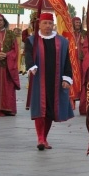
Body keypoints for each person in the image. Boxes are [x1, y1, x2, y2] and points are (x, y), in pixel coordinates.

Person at [25, 13, 74, 150]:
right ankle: (40, 138)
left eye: (50, 23)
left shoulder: (62, 41)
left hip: (55, 81)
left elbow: (67, 62)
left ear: (53, 25)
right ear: (39, 24)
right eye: (44, 23)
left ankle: (44, 137)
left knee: (50, 111)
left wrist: (67, 78)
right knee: (40, 109)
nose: (47, 26)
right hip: (38, 79)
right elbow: (28, 55)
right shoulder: (32, 40)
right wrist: (31, 66)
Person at [72, 16, 89, 115]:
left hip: (81, 60)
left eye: (79, 23)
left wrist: (83, 43)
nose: (78, 24)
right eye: (76, 23)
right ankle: (72, 102)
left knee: (81, 80)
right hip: (72, 60)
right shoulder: (70, 33)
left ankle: (81, 101)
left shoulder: (84, 34)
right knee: (73, 81)